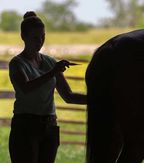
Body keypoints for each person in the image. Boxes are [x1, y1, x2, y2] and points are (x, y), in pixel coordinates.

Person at [8, 11, 87, 163]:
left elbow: (68, 96)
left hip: (50, 125)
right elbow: (26, 88)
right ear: (23, 36)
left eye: (43, 36)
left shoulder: (50, 62)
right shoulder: (17, 63)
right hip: (25, 127)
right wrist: (53, 72)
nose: (40, 41)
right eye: (35, 38)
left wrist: (99, 99)